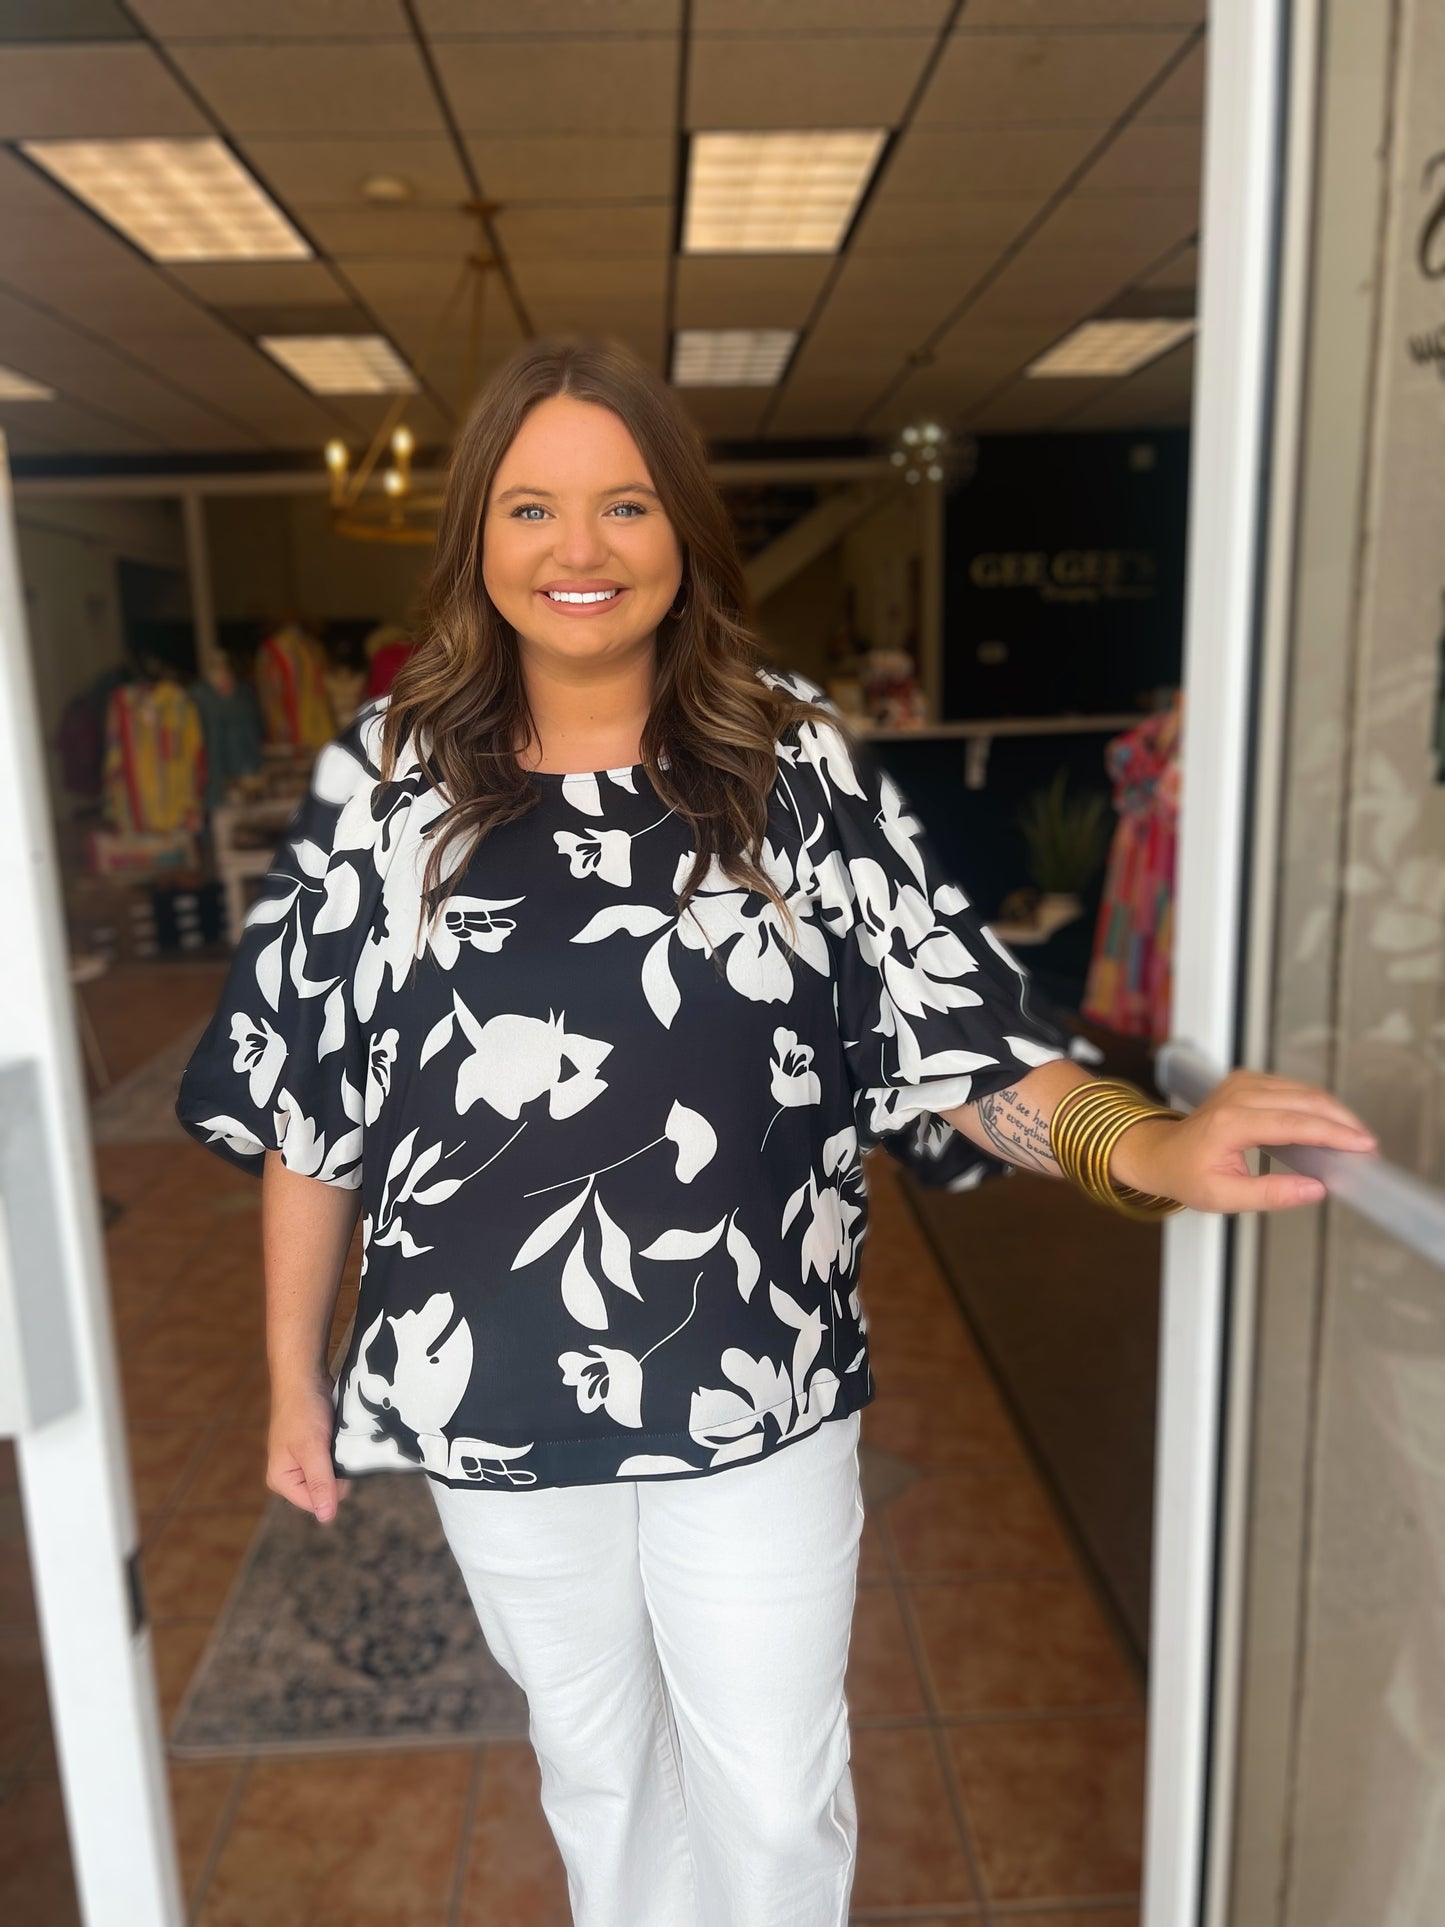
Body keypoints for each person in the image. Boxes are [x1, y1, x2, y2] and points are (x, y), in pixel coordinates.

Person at [175, 336, 1377, 1927]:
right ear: (476, 539)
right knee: (595, 1772)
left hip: (759, 1382)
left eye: (623, 505)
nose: (579, 551)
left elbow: (954, 1036)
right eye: (532, 509)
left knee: (770, 1787)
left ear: (684, 533)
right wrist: (291, 1378)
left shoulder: (783, 761)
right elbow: (312, 1104)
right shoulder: (387, 783)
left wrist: (1142, 1147)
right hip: (493, 1400)